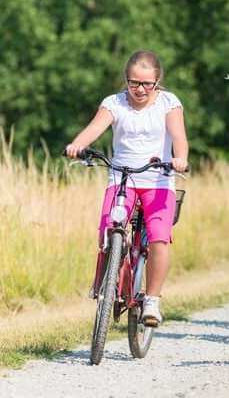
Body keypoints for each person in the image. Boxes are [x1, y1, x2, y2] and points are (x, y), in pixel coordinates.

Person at [65, 50, 189, 326]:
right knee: (109, 229)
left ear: (158, 81)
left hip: (158, 181)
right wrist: (78, 145)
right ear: (126, 80)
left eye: (147, 83)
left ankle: (153, 300)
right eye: (134, 83)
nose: (140, 89)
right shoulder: (114, 103)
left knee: (158, 237)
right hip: (122, 179)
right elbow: (95, 127)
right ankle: (110, 284)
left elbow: (179, 136)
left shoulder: (169, 103)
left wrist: (180, 159)